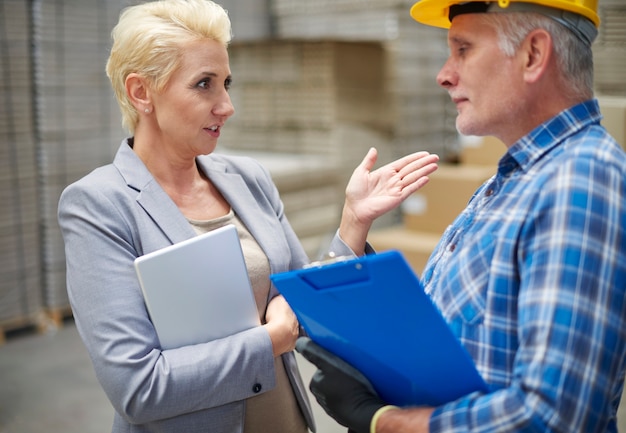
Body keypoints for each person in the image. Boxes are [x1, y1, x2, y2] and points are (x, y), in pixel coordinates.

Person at [56, 1, 439, 432]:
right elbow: (138, 388)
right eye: (204, 84)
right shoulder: (100, 206)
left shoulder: (247, 179)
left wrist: (353, 220)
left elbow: (305, 301)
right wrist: (272, 338)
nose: (227, 105)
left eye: (226, 83)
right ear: (141, 92)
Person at [296, 1, 626, 432]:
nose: (444, 74)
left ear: (533, 55)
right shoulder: (514, 181)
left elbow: (551, 416)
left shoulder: (579, 179)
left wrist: (385, 422)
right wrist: (355, 223)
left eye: (463, 49)